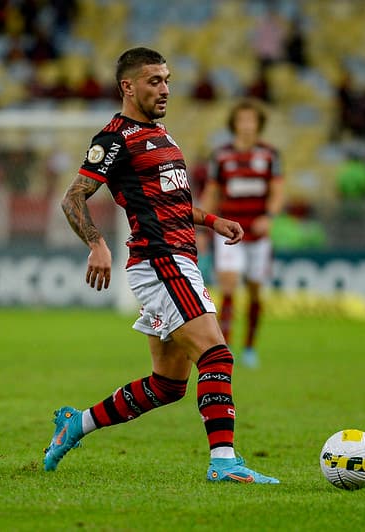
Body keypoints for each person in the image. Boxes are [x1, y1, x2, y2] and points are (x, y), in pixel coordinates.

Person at [44, 47, 279, 484]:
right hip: (160, 261)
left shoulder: (163, 135)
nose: (165, 88)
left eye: (167, 79)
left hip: (177, 258)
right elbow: (72, 197)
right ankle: (224, 462)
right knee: (216, 353)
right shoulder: (114, 139)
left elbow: (173, 202)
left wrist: (213, 221)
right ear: (127, 87)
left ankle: (74, 425)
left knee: (168, 384)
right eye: (154, 80)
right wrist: (97, 244)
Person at [200, 99, 284, 368]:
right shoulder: (221, 155)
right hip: (229, 231)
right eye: (242, 120)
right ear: (234, 124)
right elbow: (212, 192)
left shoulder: (270, 155)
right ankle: (224, 348)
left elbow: (278, 191)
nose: (247, 125)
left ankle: (249, 347)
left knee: (255, 291)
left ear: (259, 124)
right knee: (228, 286)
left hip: (258, 235)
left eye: (252, 120)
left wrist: (269, 216)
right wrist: (203, 226)